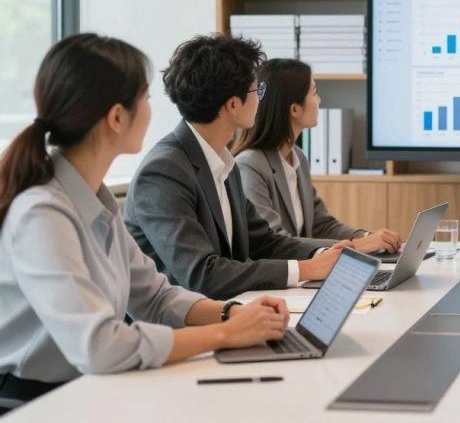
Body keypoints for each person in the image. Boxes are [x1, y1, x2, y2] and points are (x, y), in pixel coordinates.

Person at [0, 34, 288, 414]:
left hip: (87, 387)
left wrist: (231, 313)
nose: (153, 110)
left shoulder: (95, 200)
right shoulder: (42, 213)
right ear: (117, 117)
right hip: (32, 402)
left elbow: (155, 296)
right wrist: (225, 334)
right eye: (146, 98)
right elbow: (99, 345)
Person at [125, 35, 352, 300]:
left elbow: (263, 241)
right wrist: (304, 269)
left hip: (228, 309)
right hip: (175, 330)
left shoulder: (222, 160)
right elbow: (202, 274)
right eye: (258, 91)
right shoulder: (164, 172)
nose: (260, 100)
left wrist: (326, 255)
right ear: (233, 105)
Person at [234, 58, 402, 252]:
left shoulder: (297, 157)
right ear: (294, 109)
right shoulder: (249, 165)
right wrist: (355, 246)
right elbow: (273, 241)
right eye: (314, 93)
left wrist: (367, 237)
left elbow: (322, 225)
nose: (319, 100)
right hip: (279, 277)